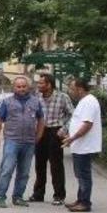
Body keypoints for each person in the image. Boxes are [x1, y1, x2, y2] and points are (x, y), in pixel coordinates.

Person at [0, 76, 45, 208]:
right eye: (18, 86)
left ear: (28, 87)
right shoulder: (7, 102)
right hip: (12, 140)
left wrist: (39, 135)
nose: (21, 89)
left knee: (24, 172)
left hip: (29, 142)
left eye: (24, 86)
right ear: (14, 87)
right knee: (7, 169)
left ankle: (18, 197)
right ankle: (1, 196)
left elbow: (41, 119)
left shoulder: (35, 102)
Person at [30, 73, 74, 205]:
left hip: (55, 131)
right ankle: (38, 194)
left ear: (49, 84)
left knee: (56, 165)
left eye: (41, 83)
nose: (38, 85)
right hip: (40, 132)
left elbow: (72, 115)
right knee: (39, 164)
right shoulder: (36, 97)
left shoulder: (62, 97)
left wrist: (64, 129)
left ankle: (59, 195)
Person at [62, 78, 102, 212]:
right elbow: (79, 122)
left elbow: (87, 124)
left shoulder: (89, 102)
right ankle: (80, 199)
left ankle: (85, 202)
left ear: (79, 89)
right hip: (80, 145)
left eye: (72, 89)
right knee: (80, 174)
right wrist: (71, 136)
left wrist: (72, 138)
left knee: (83, 175)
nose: (70, 91)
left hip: (85, 146)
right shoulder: (83, 101)